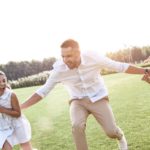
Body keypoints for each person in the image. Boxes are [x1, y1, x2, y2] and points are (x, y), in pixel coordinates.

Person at [21, 39, 150, 150]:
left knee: (111, 132)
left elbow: (119, 66)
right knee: (77, 126)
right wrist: (21, 107)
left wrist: (144, 70)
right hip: (77, 101)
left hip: (98, 97)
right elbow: (43, 90)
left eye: (69, 56)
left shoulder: (93, 57)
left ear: (79, 52)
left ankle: (120, 136)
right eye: (63, 56)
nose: (65, 60)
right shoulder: (59, 69)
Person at [0, 71, 32, 150]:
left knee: (26, 148)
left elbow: (18, 113)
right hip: (4, 126)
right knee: (6, 148)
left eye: (4, 80)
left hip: (18, 124)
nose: (2, 83)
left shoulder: (11, 94)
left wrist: (2, 109)